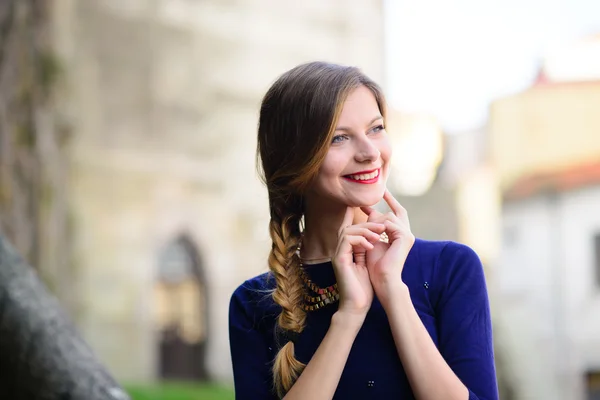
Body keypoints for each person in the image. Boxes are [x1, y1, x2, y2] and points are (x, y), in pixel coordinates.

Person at [228, 61, 499, 400]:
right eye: (339, 138)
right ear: (294, 160)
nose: (370, 153)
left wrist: (392, 290)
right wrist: (348, 316)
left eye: (376, 128)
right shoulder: (252, 304)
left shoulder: (450, 266)